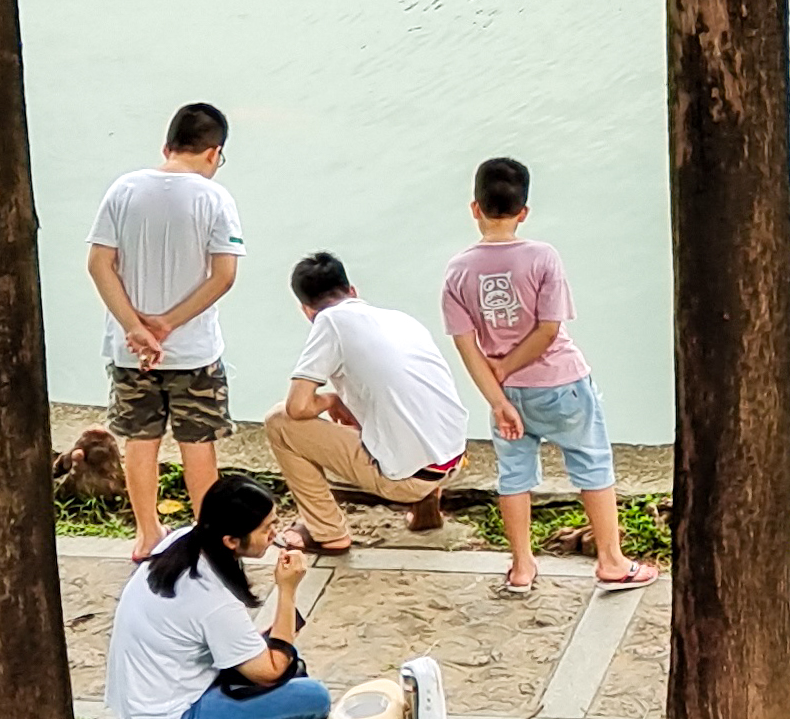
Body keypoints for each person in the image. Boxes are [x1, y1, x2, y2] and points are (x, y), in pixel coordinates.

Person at [443, 157, 658, 598]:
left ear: (474, 208)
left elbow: (466, 346)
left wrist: (498, 393)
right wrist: (506, 368)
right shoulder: (542, 257)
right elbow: (548, 329)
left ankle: (522, 566)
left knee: (514, 475)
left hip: (506, 395)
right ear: (524, 211)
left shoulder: (458, 270)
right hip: (561, 383)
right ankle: (612, 561)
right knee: (592, 463)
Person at [86, 102, 244, 557]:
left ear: (167, 146)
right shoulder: (215, 199)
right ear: (214, 153)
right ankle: (209, 534)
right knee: (198, 444)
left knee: (141, 440)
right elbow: (224, 276)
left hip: (130, 349)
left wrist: (136, 328)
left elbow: (99, 264)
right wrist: (168, 324)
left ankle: (148, 532)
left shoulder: (123, 189)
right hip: (193, 349)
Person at [107, 476, 330, 719]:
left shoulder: (182, 541)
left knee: (288, 663)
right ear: (231, 541)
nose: (275, 534)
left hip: (157, 698)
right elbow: (272, 670)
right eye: (265, 529)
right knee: (313, 698)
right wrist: (287, 590)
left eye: (275, 522)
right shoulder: (212, 598)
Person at [263, 251, 469, 549]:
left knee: (279, 422)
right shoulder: (401, 319)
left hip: (409, 480)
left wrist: (332, 401)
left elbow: (298, 406)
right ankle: (426, 509)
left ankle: (326, 532)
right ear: (353, 291)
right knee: (391, 405)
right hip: (453, 458)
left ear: (306, 310)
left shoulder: (329, 321)